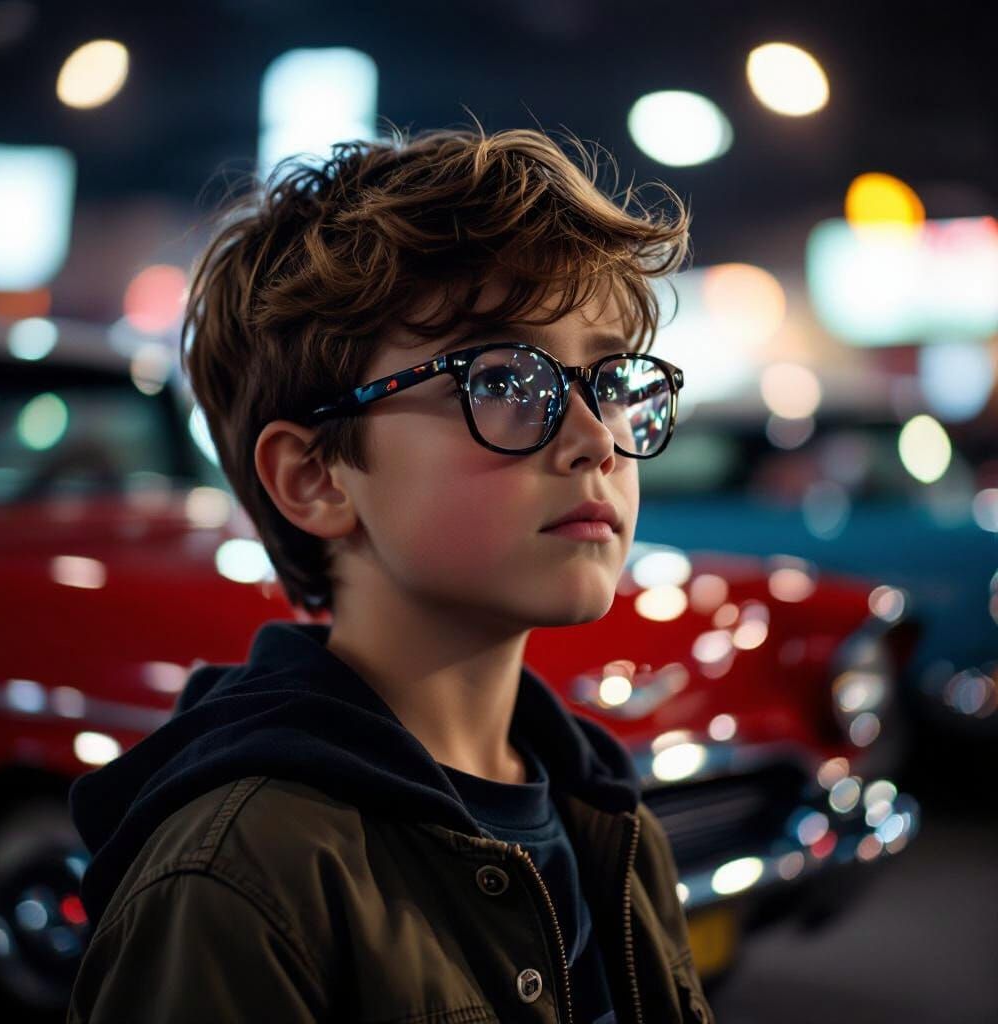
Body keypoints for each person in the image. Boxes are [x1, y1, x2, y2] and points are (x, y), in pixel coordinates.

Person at [66, 122, 714, 1023]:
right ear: (316, 477)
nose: (596, 440)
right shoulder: (237, 882)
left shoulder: (605, 813)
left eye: (610, 379)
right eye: (504, 381)